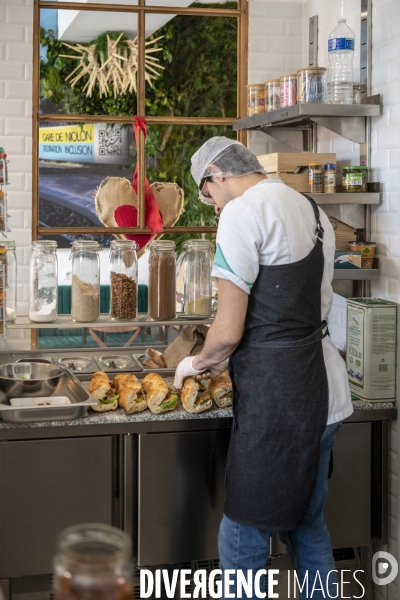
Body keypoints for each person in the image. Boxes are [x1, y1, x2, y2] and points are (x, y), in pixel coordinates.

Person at [174, 137, 353, 599]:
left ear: (217, 174)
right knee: (307, 525)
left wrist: (195, 363)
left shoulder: (241, 213)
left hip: (280, 400)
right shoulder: (311, 210)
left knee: (242, 536)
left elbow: (229, 331)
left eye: (207, 195)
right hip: (326, 393)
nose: (213, 208)